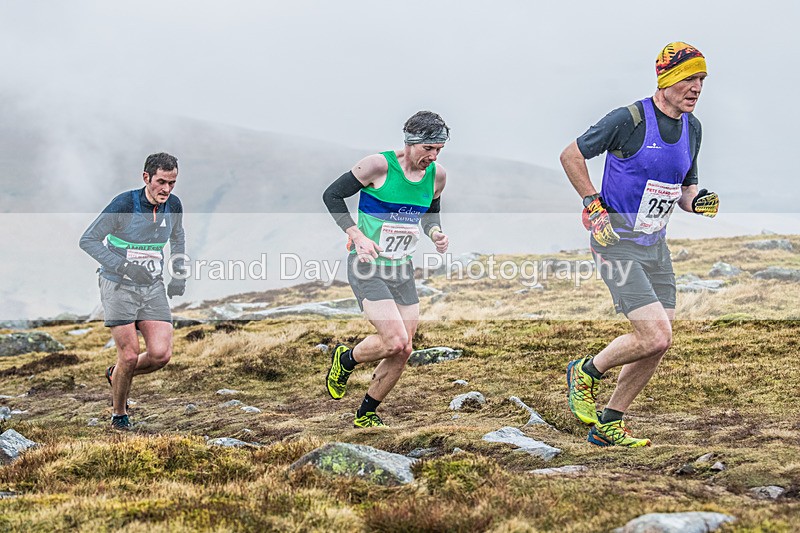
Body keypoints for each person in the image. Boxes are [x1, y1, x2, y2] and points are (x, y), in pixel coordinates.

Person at [560, 42, 719, 447]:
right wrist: (592, 203)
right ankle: (585, 371)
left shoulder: (693, 128)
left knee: (657, 344)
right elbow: (571, 156)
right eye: (689, 78)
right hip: (615, 242)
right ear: (666, 79)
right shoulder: (628, 119)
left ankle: (609, 424)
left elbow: (685, 190)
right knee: (655, 336)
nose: (697, 87)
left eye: (702, 79)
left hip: (655, 246)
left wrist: (698, 202)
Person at [322, 110, 450, 427]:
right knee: (393, 341)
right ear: (410, 143)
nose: (433, 157)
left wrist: (435, 233)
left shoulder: (437, 176)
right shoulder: (378, 166)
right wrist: (356, 234)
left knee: (404, 349)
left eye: (439, 149)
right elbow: (332, 195)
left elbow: (429, 215)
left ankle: (366, 414)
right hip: (367, 265)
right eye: (428, 149)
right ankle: (345, 359)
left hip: (401, 268)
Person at [79, 152, 187, 430]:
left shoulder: (173, 205)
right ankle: (119, 415)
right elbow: (88, 240)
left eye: (172, 183)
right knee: (128, 355)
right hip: (118, 285)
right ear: (146, 178)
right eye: (161, 182)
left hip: (152, 286)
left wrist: (178, 274)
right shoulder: (124, 204)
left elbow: (177, 237)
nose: (166, 189)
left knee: (160, 354)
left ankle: (117, 374)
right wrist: (124, 267)